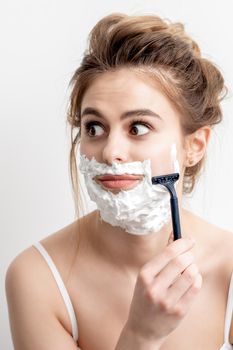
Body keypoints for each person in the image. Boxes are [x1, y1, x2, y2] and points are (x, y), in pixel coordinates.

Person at [5, 12, 233, 350]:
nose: (111, 152)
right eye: (94, 127)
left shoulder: (229, 268)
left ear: (194, 146)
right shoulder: (36, 277)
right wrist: (140, 335)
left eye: (138, 127)